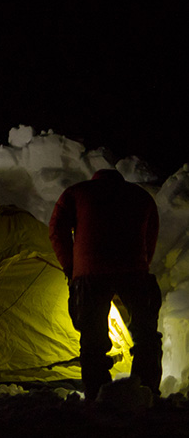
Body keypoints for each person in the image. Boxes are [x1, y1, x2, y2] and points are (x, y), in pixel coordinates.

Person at [49, 168, 162, 400]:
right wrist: (142, 265)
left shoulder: (76, 193)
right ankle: (145, 390)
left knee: (92, 336)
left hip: (90, 273)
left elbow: (56, 229)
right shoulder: (141, 197)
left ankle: (97, 393)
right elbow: (150, 237)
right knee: (145, 334)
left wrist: (72, 268)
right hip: (134, 271)